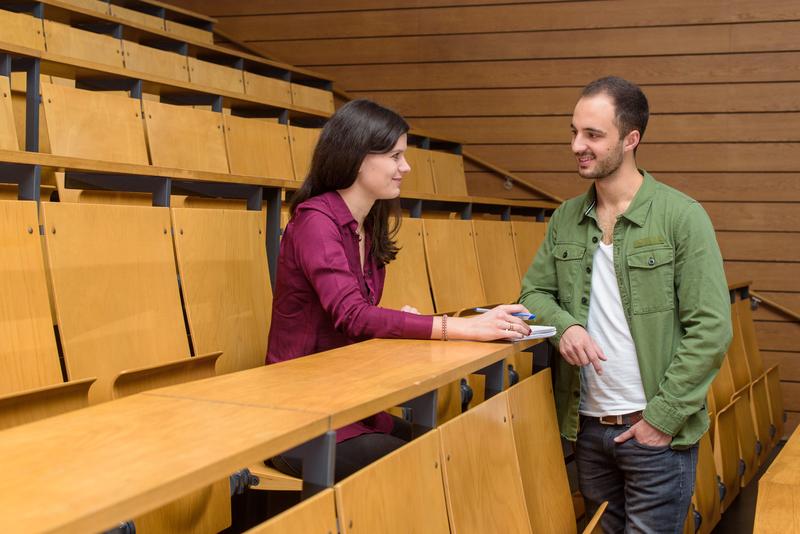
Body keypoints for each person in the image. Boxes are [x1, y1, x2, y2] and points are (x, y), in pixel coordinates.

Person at [267, 98, 532, 481]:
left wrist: (404, 323)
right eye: (395, 156)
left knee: (450, 452)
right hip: (301, 417)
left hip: (351, 403)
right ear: (358, 157)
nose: (404, 168)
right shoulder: (315, 222)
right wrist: (462, 327)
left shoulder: (367, 223)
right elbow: (353, 315)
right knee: (427, 469)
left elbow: (352, 318)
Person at [518, 76, 732, 533]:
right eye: (574, 132)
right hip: (589, 430)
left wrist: (662, 419)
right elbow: (533, 295)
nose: (578, 145)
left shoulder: (682, 216)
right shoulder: (565, 218)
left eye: (593, 135)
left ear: (631, 139)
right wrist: (564, 327)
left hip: (654, 431)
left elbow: (711, 329)